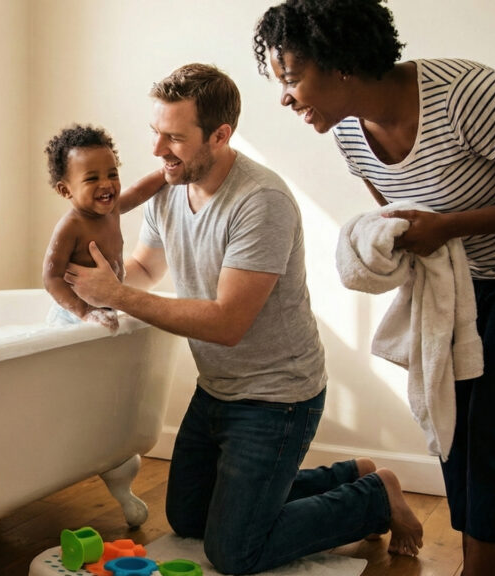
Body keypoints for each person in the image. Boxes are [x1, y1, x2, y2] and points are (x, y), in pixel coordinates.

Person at [63, 62, 424, 574]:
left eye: (173, 137)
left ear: (220, 134)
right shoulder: (169, 187)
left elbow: (227, 323)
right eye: (155, 133)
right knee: (189, 519)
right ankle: (352, 475)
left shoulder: (261, 200)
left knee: (233, 552)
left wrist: (117, 295)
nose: (157, 150)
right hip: (217, 390)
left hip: (277, 397)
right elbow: (145, 266)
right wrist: (95, 281)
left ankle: (372, 499)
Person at [253, 1, 495, 574]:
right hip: (458, 293)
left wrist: (449, 227)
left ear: (339, 64)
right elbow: (404, 220)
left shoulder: (464, 94)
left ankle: (480, 564)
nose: (285, 97)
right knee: (457, 434)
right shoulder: (349, 136)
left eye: (291, 78)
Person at [42, 123, 164, 331]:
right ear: (65, 190)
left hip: (106, 303)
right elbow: (51, 277)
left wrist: (165, 174)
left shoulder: (112, 209)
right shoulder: (71, 227)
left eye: (112, 174)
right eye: (92, 178)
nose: (106, 184)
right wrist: (83, 312)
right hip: (72, 314)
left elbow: (137, 192)